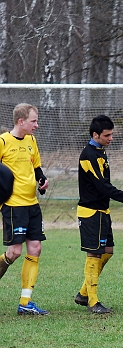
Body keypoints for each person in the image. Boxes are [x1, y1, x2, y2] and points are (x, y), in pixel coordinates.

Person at [76, 115, 123, 314]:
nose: (111, 138)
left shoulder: (101, 151)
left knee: (108, 251)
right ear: (95, 135)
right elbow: (103, 187)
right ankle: (92, 301)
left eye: (112, 134)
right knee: (94, 253)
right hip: (91, 212)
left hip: (102, 211)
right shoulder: (88, 155)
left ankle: (83, 293)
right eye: (107, 135)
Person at [0, 103, 50, 315]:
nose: (36, 125)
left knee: (35, 248)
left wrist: (42, 180)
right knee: (14, 252)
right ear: (21, 121)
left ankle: (25, 302)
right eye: (33, 121)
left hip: (32, 204)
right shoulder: (3, 141)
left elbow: (35, 167)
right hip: (14, 205)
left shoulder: (31, 141)